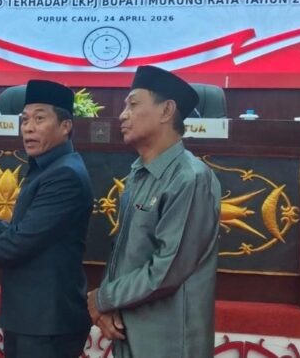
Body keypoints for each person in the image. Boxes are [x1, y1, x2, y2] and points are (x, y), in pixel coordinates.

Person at [0, 79, 94, 358]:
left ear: (65, 126)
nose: (28, 128)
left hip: (47, 319)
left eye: (39, 119)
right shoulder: (47, 167)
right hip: (31, 316)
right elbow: (28, 231)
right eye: (24, 120)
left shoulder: (64, 174)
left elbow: (25, 240)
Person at [87, 65, 221, 358]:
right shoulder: (139, 174)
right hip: (129, 330)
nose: (123, 115)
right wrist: (107, 305)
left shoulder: (190, 178)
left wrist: (104, 298)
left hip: (168, 342)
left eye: (133, 105)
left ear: (166, 111)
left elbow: (166, 270)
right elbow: (125, 255)